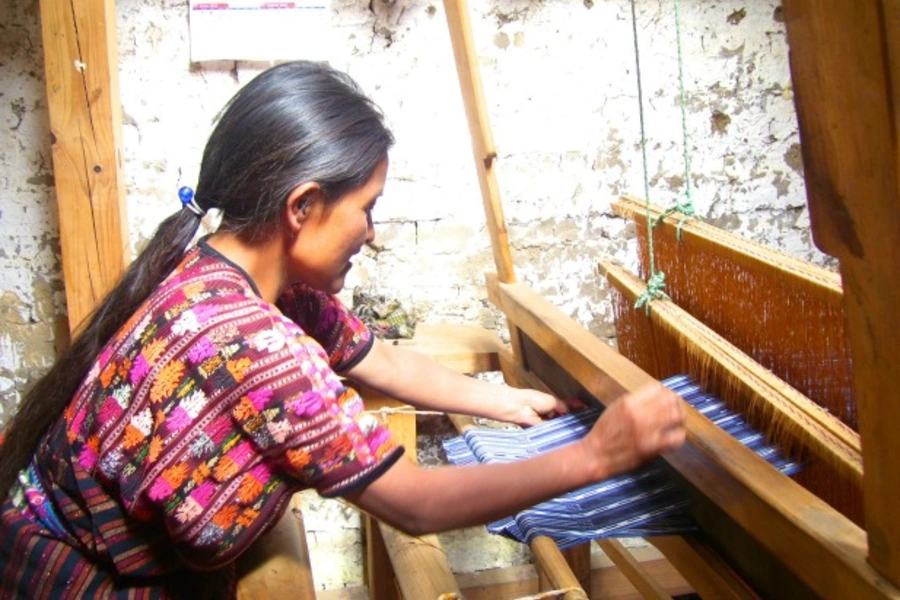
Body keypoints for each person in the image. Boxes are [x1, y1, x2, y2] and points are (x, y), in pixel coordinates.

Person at [0, 61, 685, 598]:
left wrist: (502, 402)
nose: (373, 233)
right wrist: (596, 456)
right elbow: (412, 505)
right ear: (303, 207)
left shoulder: (227, 274)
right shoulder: (261, 353)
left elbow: (379, 361)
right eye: (367, 207)